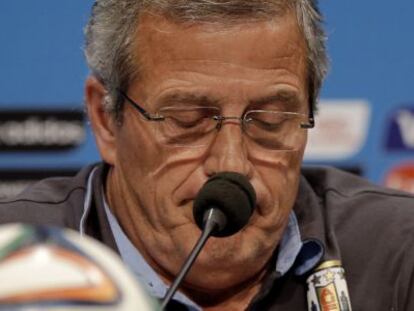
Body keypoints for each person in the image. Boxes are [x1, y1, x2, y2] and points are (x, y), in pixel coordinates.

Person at [1, 1, 414, 310]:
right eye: (187, 119)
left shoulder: (398, 254)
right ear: (106, 120)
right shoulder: (12, 260)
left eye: (270, 118)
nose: (232, 164)